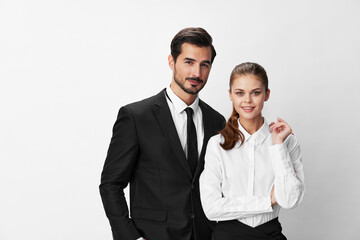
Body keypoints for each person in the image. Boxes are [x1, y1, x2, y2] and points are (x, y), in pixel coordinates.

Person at [99, 27, 225, 240]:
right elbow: (111, 184)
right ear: (171, 61)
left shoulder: (217, 121)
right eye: (189, 62)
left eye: (205, 65)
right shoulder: (136, 117)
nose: (197, 73)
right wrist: (132, 237)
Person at [199, 62, 305, 239]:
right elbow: (211, 209)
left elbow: (290, 200)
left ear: (266, 94)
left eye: (255, 93)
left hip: (269, 234)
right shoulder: (217, 145)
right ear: (230, 95)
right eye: (240, 93)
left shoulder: (288, 142)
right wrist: (268, 201)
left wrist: (278, 145)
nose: (247, 100)